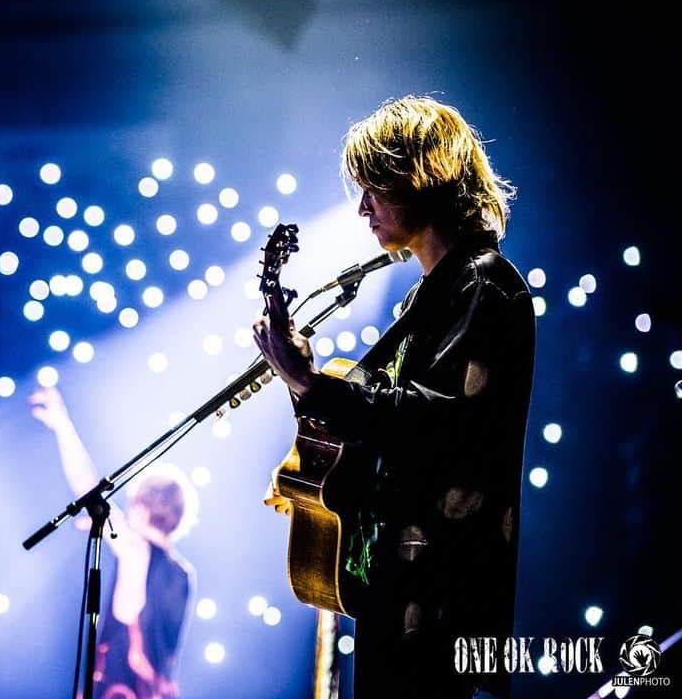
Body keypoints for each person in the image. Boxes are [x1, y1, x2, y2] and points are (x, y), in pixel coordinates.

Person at [253, 95, 535, 699]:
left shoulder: (484, 284)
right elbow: (377, 425)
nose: (362, 209)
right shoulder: (421, 300)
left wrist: (310, 384)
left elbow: (439, 426)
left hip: (444, 602)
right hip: (399, 586)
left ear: (417, 178)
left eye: (372, 189)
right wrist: (309, 405)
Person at [30, 385, 197, 699]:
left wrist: (62, 424)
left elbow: (87, 489)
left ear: (142, 508)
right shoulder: (184, 575)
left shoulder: (136, 551)